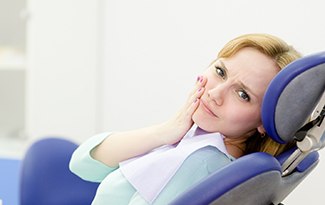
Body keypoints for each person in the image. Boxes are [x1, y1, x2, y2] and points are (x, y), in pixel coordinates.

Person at [69, 33, 301, 205]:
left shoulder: (203, 161)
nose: (214, 93)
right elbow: (83, 163)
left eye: (243, 95)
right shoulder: (203, 137)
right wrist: (167, 131)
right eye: (220, 72)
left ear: (264, 121)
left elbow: (83, 167)